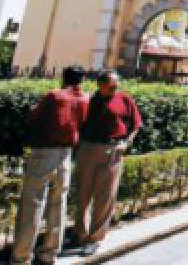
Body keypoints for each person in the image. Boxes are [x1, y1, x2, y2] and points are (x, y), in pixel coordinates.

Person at [11, 66, 88, 265]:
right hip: (66, 155)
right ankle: (49, 254)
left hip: (44, 153)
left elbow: (33, 118)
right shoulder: (85, 99)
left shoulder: (54, 96)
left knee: (33, 203)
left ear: (64, 78)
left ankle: (21, 256)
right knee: (58, 204)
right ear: (82, 80)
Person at [74, 71, 142, 256]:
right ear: (100, 85)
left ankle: (95, 238)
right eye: (111, 86)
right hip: (88, 148)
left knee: (105, 195)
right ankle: (81, 234)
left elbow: (136, 124)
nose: (115, 88)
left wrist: (127, 142)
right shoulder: (89, 101)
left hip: (113, 149)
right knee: (83, 192)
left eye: (116, 85)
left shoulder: (125, 99)